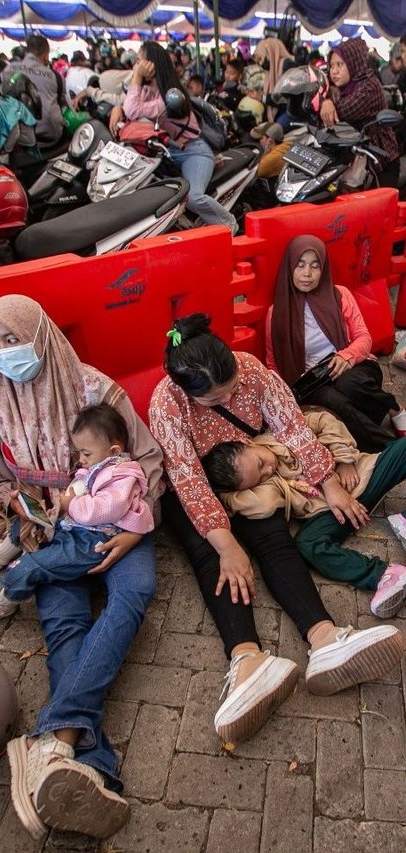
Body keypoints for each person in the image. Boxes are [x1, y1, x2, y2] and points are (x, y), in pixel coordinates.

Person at [149, 312, 403, 743]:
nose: (229, 400)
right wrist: (226, 541)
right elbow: (188, 479)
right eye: (216, 400)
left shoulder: (249, 367)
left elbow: (293, 426)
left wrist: (328, 483)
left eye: (231, 390)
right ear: (188, 390)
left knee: (273, 541)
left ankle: (325, 639)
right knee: (214, 556)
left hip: (251, 467)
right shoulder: (166, 403)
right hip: (193, 485)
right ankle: (247, 661)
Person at [0, 294, 162, 840]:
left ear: (42, 336)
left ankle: (52, 740)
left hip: (123, 524)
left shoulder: (98, 392)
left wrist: (127, 536)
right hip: (55, 532)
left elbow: (148, 463)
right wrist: (21, 509)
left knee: (132, 595)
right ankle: (79, 760)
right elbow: (0, 482)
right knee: (64, 622)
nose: (6, 354)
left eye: (15, 339)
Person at [0, 403, 154, 627]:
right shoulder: (97, 467)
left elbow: (106, 509)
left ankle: (6, 599)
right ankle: (2, 552)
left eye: (86, 453)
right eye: (78, 452)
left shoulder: (122, 475)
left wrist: (72, 504)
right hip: (76, 527)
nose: (81, 459)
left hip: (94, 541)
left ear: (113, 451)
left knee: (34, 564)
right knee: (32, 518)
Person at [202, 410, 406, 618]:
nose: (268, 470)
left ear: (250, 443)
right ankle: (384, 575)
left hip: (366, 476)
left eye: (261, 463)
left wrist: (345, 461)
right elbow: (260, 505)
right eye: (258, 478)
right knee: (307, 544)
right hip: (333, 514)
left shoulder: (283, 434)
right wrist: (226, 496)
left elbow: (324, 420)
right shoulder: (269, 484)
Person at [265, 235, 406, 453]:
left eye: (315, 266)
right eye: (300, 265)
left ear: (323, 269)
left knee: (348, 384)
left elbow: (364, 337)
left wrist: (346, 356)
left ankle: (395, 409)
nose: (307, 274)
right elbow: (273, 361)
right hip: (313, 381)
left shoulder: (340, 295)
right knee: (331, 400)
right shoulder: (276, 313)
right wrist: (283, 396)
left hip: (353, 366)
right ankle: (393, 450)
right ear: (289, 268)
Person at [121, 40, 238, 234]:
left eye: (139, 61)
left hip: (193, 151)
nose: (136, 66)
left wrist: (137, 77)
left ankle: (229, 225)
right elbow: (128, 105)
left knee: (192, 197)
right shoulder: (149, 91)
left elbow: (132, 109)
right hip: (166, 151)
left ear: (151, 64)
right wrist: (117, 107)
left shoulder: (167, 97)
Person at [320, 37, 400, 187]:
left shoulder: (369, 87)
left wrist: (327, 102)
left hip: (381, 164)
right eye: (331, 65)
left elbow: (342, 111)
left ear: (353, 63)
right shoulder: (343, 88)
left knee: (376, 209)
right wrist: (326, 100)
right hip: (356, 162)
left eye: (340, 64)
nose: (334, 71)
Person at [11, 34, 65, 144]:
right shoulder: (54, 75)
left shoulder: (11, 71)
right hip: (52, 136)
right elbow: (63, 103)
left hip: (20, 137)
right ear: (46, 55)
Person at [253, 38, 295, 123]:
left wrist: (262, 97)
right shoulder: (271, 70)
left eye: (261, 59)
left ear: (271, 54)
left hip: (289, 113)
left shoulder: (286, 65)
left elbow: (286, 99)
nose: (260, 64)